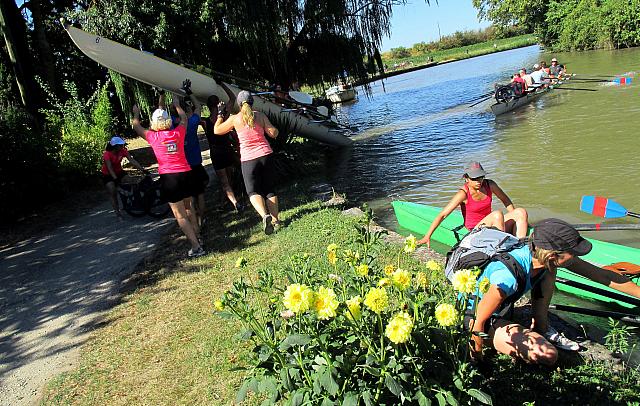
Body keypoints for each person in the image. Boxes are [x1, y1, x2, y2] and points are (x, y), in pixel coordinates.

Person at [467, 219, 640, 364]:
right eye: (573, 252)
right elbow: (477, 322)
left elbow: (602, 276)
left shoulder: (543, 258)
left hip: (498, 308)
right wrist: (479, 363)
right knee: (547, 354)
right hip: (476, 319)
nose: (577, 256)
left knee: (549, 271)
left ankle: (541, 326)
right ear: (552, 255)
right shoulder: (506, 277)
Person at [132, 93, 205, 258]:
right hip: (185, 173)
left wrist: (136, 113)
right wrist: (177, 105)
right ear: (167, 121)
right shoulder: (178, 132)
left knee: (179, 214)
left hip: (170, 177)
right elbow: (184, 119)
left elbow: (136, 126)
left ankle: (196, 246)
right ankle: (199, 236)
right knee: (189, 207)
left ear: (154, 122)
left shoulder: (153, 137)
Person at [214, 90, 280, 234]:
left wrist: (220, 114)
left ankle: (264, 215)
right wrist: (274, 130)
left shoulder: (234, 119)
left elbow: (217, 130)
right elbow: (273, 133)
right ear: (252, 102)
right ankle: (276, 221)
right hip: (266, 155)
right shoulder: (260, 115)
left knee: (253, 191)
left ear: (239, 104)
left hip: (248, 159)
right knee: (270, 189)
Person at [417, 161, 528, 247]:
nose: (479, 181)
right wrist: (427, 236)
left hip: (492, 223)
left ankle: (520, 246)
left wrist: (514, 221)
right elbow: (443, 214)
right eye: (475, 178)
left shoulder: (490, 184)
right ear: (466, 179)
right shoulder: (463, 193)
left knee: (521, 212)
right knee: (498, 214)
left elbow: (506, 200)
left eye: (481, 177)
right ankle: (502, 249)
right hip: (475, 230)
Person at [202, 84, 243, 212]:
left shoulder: (205, 122)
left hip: (216, 154)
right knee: (229, 179)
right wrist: (222, 84)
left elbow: (192, 116)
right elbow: (232, 98)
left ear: (208, 106)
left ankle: (235, 203)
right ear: (218, 104)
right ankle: (224, 203)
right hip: (227, 151)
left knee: (224, 182)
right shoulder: (225, 117)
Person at [101, 136, 147, 218]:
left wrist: (142, 169)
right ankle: (117, 212)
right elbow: (109, 168)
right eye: (120, 145)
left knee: (133, 182)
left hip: (119, 172)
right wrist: (115, 179)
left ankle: (134, 200)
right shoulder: (107, 154)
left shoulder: (123, 151)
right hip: (107, 174)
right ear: (115, 146)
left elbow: (131, 160)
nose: (122, 146)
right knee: (112, 191)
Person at [182, 89, 209, 226]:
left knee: (190, 197)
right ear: (188, 111)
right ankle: (202, 218)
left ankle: (194, 222)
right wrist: (190, 92)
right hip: (196, 164)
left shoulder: (177, 126)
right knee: (200, 193)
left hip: (185, 167)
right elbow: (198, 107)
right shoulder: (193, 123)